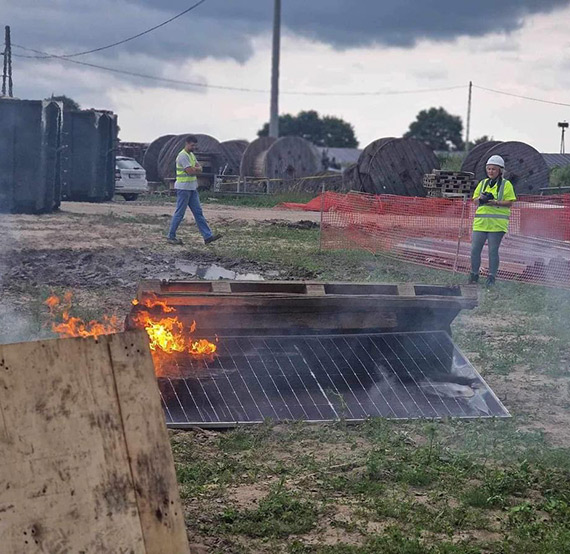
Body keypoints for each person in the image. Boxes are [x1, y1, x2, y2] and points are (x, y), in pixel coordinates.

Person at [468, 155, 516, 286]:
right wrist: (481, 199)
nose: (490, 171)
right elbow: (474, 200)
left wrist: (495, 202)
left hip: (497, 225)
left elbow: (510, 202)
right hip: (480, 224)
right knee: (474, 250)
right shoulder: (483, 183)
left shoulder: (506, 185)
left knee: (492, 251)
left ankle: (491, 277)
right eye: (488, 169)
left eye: (493, 169)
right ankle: (474, 274)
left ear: (500, 170)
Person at [166, 135, 222, 245]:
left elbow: (198, 168)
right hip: (183, 188)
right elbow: (191, 171)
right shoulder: (182, 156)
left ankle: (207, 236)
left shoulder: (191, 155)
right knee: (179, 213)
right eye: (192, 145)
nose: (194, 147)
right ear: (187, 143)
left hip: (192, 188)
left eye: (195, 145)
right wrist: (196, 169)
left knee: (198, 213)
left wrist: (195, 169)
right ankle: (171, 236)